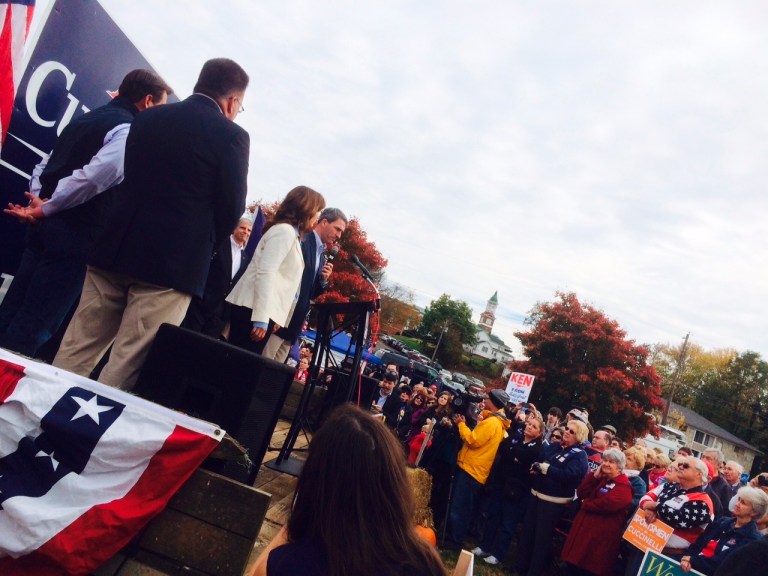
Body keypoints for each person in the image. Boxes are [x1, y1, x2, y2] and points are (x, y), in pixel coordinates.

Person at [53, 58, 249, 390]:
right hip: (169, 268)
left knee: (76, 349)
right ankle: (82, 439)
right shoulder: (233, 136)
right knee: (126, 364)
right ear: (232, 101)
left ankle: (33, 421)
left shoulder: (148, 118)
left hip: (114, 247)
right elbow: (231, 209)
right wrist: (200, 244)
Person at [0, 70, 172, 358]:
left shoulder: (87, 118)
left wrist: (40, 203)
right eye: (161, 108)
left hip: (46, 227)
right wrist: (45, 207)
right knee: (35, 324)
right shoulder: (127, 130)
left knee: (13, 308)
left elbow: (46, 163)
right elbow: (93, 179)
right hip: (75, 235)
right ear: (149, 101)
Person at [249, 404, 447, 576]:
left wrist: (294, 522)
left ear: (314, 479)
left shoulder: (288, 563)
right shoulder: (423, 564)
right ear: (394, 484)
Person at [226, 186, 326, 354]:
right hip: (252, 311)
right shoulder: (284, 232)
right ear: (306, 208)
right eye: (317, 211)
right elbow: (266, 273)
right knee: (238, 367)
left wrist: (277, 316)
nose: (317, 216)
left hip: (261, 311)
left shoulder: (291, 234)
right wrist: (261, 317)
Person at [260, 208, 347, 361]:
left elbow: (310, 294)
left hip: (293, 327)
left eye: (341, 232)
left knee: (272, 377)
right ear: (324, 222)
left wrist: (323, 280)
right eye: (337, 229)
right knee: (261, 365)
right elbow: (284, 280)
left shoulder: (321, 257)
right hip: (279, 321)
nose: (339, 235)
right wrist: (275, 317)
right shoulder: (303, 240)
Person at [515, 419, 589, 576]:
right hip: (536, 495)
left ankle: (533, 572)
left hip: (553, 503)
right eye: (566, 429)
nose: (566, 433)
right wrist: (536, 466)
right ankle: (519, 567)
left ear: (580, 436)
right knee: (527, 533)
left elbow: (570, 475)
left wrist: (548, 470)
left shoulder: (579, 456)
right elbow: (540, 458)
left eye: (571, 431)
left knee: (541, 540)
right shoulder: (555, 447)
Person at [443, 389, 511, 550]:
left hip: (472, 470)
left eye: (488, 397)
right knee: (461, 506)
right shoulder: (494, 420)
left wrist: (461, 424)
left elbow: (473, 440)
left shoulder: (492, 422)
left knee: (460, 507)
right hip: (473, 468)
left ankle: (455, 540)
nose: (484, 399)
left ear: (493, 401)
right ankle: (453, 535)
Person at [473, 413, 544, 566]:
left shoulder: (538, 448)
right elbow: (504, 447)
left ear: (539, 433)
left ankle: (498, 554)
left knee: (508, 524)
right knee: (493, 516)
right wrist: (515, 456)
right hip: (501, 483)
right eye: (529, 424)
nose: (529, 427)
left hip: (518, 490)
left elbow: (527, 457)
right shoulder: (515, 437)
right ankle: (484, 546)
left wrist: (514, 454)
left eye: (534, 426)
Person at [561, 448, 633, 576]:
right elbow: (581, 492)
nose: (606, 464)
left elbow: (607, 504)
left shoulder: (624, 486)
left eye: (611, 462)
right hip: (583, 533)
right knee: (572, 567)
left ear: (619, 467)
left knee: (585, 570)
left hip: (598, 541)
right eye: (605, 460)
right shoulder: (601, 479)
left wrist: (586, 504)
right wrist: (594, 476)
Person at [181, 216, 252, 337]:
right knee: (186, 338)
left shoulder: (245, 258)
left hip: (220, 314)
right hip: (201, 305)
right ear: (234, 229)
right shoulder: (219, 244)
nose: (246, 232)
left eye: (249, 230)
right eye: (243, 228)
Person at [638, 456, 714, 559]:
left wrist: (656, 506)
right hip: (642, 544)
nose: (681, 467)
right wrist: (648, 509)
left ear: (699, 474)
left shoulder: (703, 501)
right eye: (680, 465)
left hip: (670, 556)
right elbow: (646, 497)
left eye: (686, 466)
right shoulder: (669, 485)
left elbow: (680, 519)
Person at [681, 486, 767, 575]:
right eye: (739, 499)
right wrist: (687, 558)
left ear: (754, 512)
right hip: (688, 565)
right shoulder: (723, 522)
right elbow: (699, 542)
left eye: (743, 503)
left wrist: (692, 560)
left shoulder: (751, 538)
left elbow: (725, 561)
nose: (737, 504)